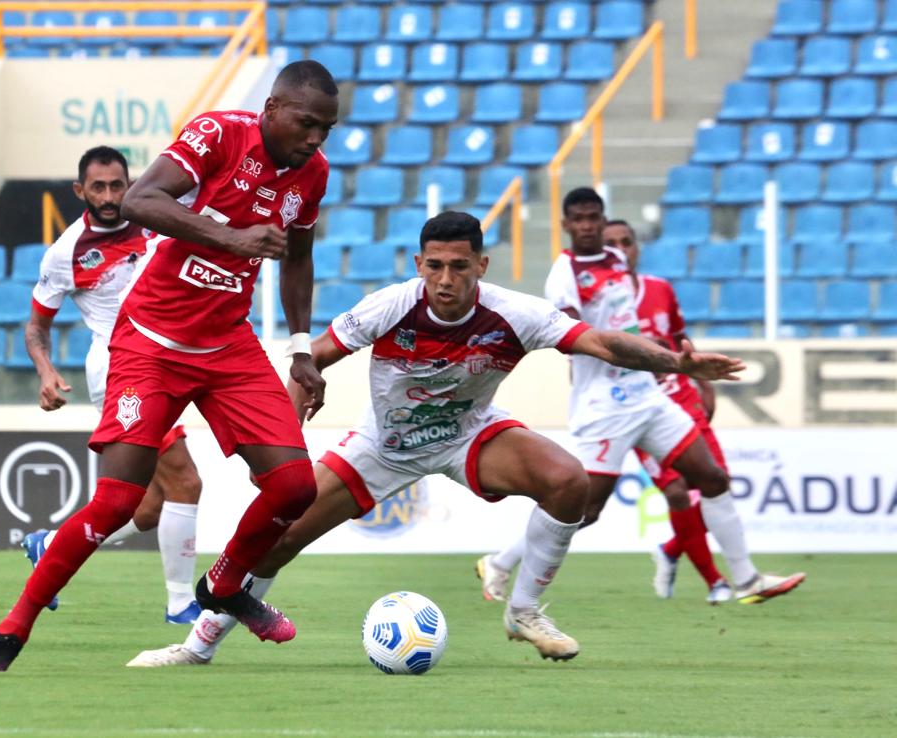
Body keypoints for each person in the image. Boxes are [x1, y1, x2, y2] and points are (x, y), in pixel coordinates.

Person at [124, 210, 745, 668]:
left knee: (570, 483)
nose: (445, 280)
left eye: (458, 266)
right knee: (278, 537)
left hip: (468, 435)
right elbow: (308, 358)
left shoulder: (514, 314)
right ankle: (197, 645)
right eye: (434, 266)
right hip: (381, 447)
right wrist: (294, 410)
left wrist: (677, 363)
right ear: (419, 265)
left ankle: (524, 610)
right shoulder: (391, 307)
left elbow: (602, 343)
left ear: (481, 265)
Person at [0, 60, 339, 672]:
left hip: (228, 343)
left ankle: (221, 587)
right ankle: (12, 628)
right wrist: (234, 241)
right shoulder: (219, 134)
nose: (316, 139)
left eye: (327, 128)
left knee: (295, 485)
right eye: (306, 123)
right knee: (117, 502)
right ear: (272, 108)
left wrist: (300, 347)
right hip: (150, 341)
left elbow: (299, 257)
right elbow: (142, 199)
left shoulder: (312, 173)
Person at [477, 189, 804, 609]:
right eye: (579, 219)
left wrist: (662, 361)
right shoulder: (565, 274)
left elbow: (626, 325)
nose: (588, 226)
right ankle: (501, 563)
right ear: (566, 224)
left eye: (594, 217)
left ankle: (745, 578)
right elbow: (574, 339)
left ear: (602, 218)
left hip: (646, 397)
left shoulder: (615, 261)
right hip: (603, 407)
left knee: (712, 478)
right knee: (584, 510)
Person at [21, 146, 203, 623]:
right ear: (80, 190)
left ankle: (49, 543)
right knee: (186, 480)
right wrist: (45, 370)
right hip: (120, 366)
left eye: (116, 185)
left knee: (148, 508)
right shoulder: (66, 252)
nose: (108, 196)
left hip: (161, 359)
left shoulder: (154, 219)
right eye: (97, 187)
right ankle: (183, 603)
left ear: (130, 184)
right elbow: (36, 326)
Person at [607, 219, 730, 604]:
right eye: (612, 243)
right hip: (636, 406)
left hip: (681, 401)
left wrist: (704, 385)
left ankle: (672, 549)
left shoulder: (660, 289)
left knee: (713, 486)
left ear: (636, 248)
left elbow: (681, 340)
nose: (620, 249)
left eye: (627, 242)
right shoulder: (597, 299)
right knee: (677, 491)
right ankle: (716, 582)